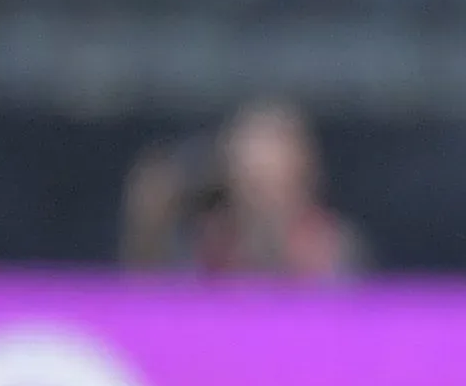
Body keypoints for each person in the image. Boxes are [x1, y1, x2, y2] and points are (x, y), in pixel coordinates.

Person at [118, 99, 368, 279]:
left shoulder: (330, 245)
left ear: (302, 172)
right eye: (252, 180)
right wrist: (152, 219)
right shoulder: (211, 243)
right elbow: (150, 292)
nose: (261, 192)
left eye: (272, 177)